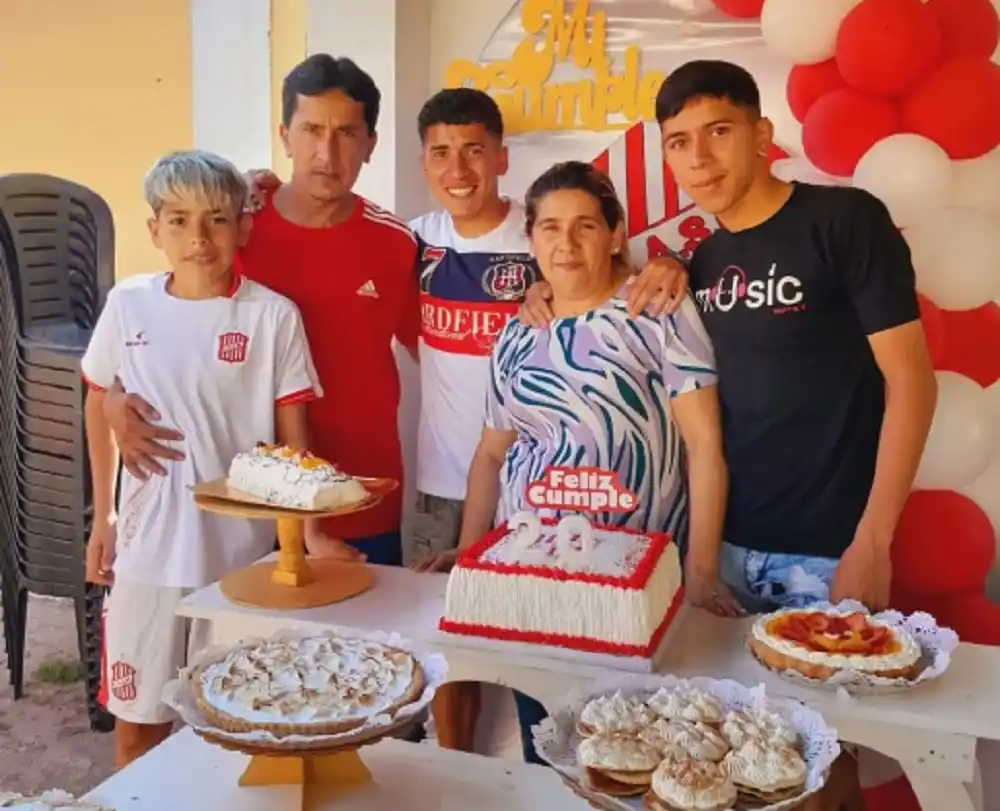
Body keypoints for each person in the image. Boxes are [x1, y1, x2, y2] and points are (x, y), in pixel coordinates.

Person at [522, 60, 937, 613]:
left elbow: (911, 383)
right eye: (678, 143)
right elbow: (601, 284)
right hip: (719, 553)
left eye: (719, 132)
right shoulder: (704, 260)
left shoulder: (843, 221)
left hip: (827, 556)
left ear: (761, 135)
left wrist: (874, 541)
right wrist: (540, 289)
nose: (698, 159)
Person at [421, 160, 730, 763]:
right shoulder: (515, 334)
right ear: (531, 238)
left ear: (615, 234)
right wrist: (471, 547)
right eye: (550, 228)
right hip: (535, 591)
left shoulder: (657, 314)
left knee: (635, 763)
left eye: (585, 226)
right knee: (549, 755)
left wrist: (701, 570)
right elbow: (491, 455)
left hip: (633, 592)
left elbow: (705, 448)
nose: (566, 244)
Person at [101, 54, 422, 566]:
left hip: (358, 494)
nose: (326, 151)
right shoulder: (232, 230)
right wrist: (114, 400)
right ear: (284, 134)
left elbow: (442, 352)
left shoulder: (396, 243)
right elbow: (165, 322)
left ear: (370, 144)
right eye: (312, 129)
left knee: (362, 643)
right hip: (240, 497)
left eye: (346, 133)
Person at [83, 151, 321, 768]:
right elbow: (94, 396)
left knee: (236, 735)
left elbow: (294, 449)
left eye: (216, 219)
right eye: (179, 220)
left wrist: (311, 538)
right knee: (139, 730)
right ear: (154, 230)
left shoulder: (272, 316)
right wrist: (101, 521)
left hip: (239, 561)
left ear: (243, 226)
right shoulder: (128, 304)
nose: (198, 238)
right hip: (147, 556)